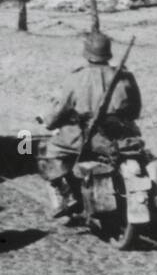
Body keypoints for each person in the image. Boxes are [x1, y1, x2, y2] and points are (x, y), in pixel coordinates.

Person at [38, 31, 145, 219]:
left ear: (86, 54)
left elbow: (60, 110)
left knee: (47, 152)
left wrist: (48, 122)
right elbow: (135, 111)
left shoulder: (75, 78)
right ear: (108, 53)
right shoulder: (125, 77)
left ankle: (65, 195)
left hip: (82, 137)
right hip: (119, 137)